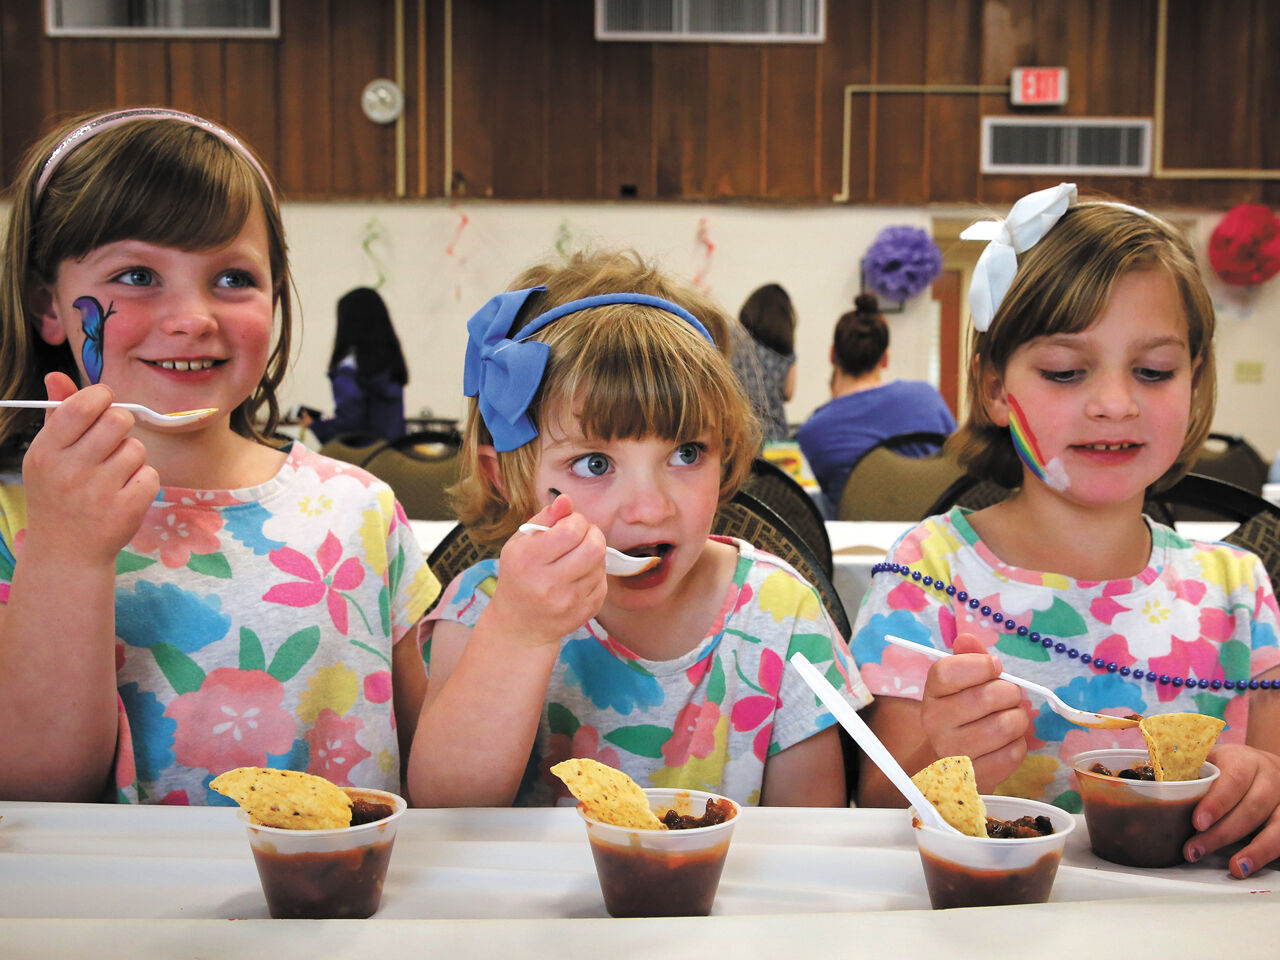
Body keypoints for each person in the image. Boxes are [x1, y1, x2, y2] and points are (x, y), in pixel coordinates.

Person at [0, 108, 440, 805]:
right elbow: (35, 787)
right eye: (138, 275)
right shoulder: (12, 522)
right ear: (46, 304)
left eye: (233, 279)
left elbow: (435, 772)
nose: (193, 317)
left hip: (335, 904)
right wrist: (65, 551)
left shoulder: (361, 509)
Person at [849, 183, 1280, 880]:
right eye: (1065, 371)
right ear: (993, 387)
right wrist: (941, 755)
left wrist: (1262, 791)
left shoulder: (1240, 598)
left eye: (1154, 370)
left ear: (1194, 383)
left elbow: (1272, 790)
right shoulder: (927, 575)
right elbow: (874, 810)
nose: (1115, 402)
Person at [406, 250, 868, 808]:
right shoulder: (482, 608)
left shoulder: (780, 612)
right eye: (595, 464)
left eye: (687, 452)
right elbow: (445, 810)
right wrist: (519, 633)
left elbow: (811, 842)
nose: (649, 509)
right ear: (502, 475)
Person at [795, 293, 956, 517]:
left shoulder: (812, 432)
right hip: (931, 540)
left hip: (855, 546)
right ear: (885, 358)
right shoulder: (927, 397)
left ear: (832, 355)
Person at [304, 286, 408, 444]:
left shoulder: (348, 369)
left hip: (364, 460)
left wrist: (315, 425)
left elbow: (349, 428)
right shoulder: (391, 366)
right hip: (394, 457)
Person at [729, 283, 796, 444]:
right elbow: (788, 392)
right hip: (775, 439)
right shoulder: (785, 351)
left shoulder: (733, 339)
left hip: (738, 434)